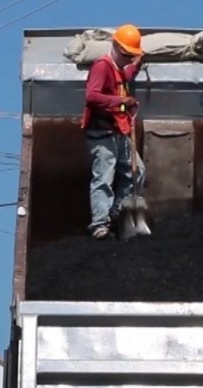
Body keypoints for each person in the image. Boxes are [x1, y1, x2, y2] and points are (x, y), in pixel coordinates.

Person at [82, 23, 145, 239]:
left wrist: (136, 65)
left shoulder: (119, 68)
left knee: (137, 172)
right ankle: (100, 224)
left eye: (131, 56)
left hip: (119, 130)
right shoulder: (102, 65)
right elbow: (91, 96)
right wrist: (122, 101)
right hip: (102, 133)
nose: (129, 59)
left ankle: (118, 212)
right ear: (116, 46)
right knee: (103, 178)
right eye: (127, 54)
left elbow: (124, 75)